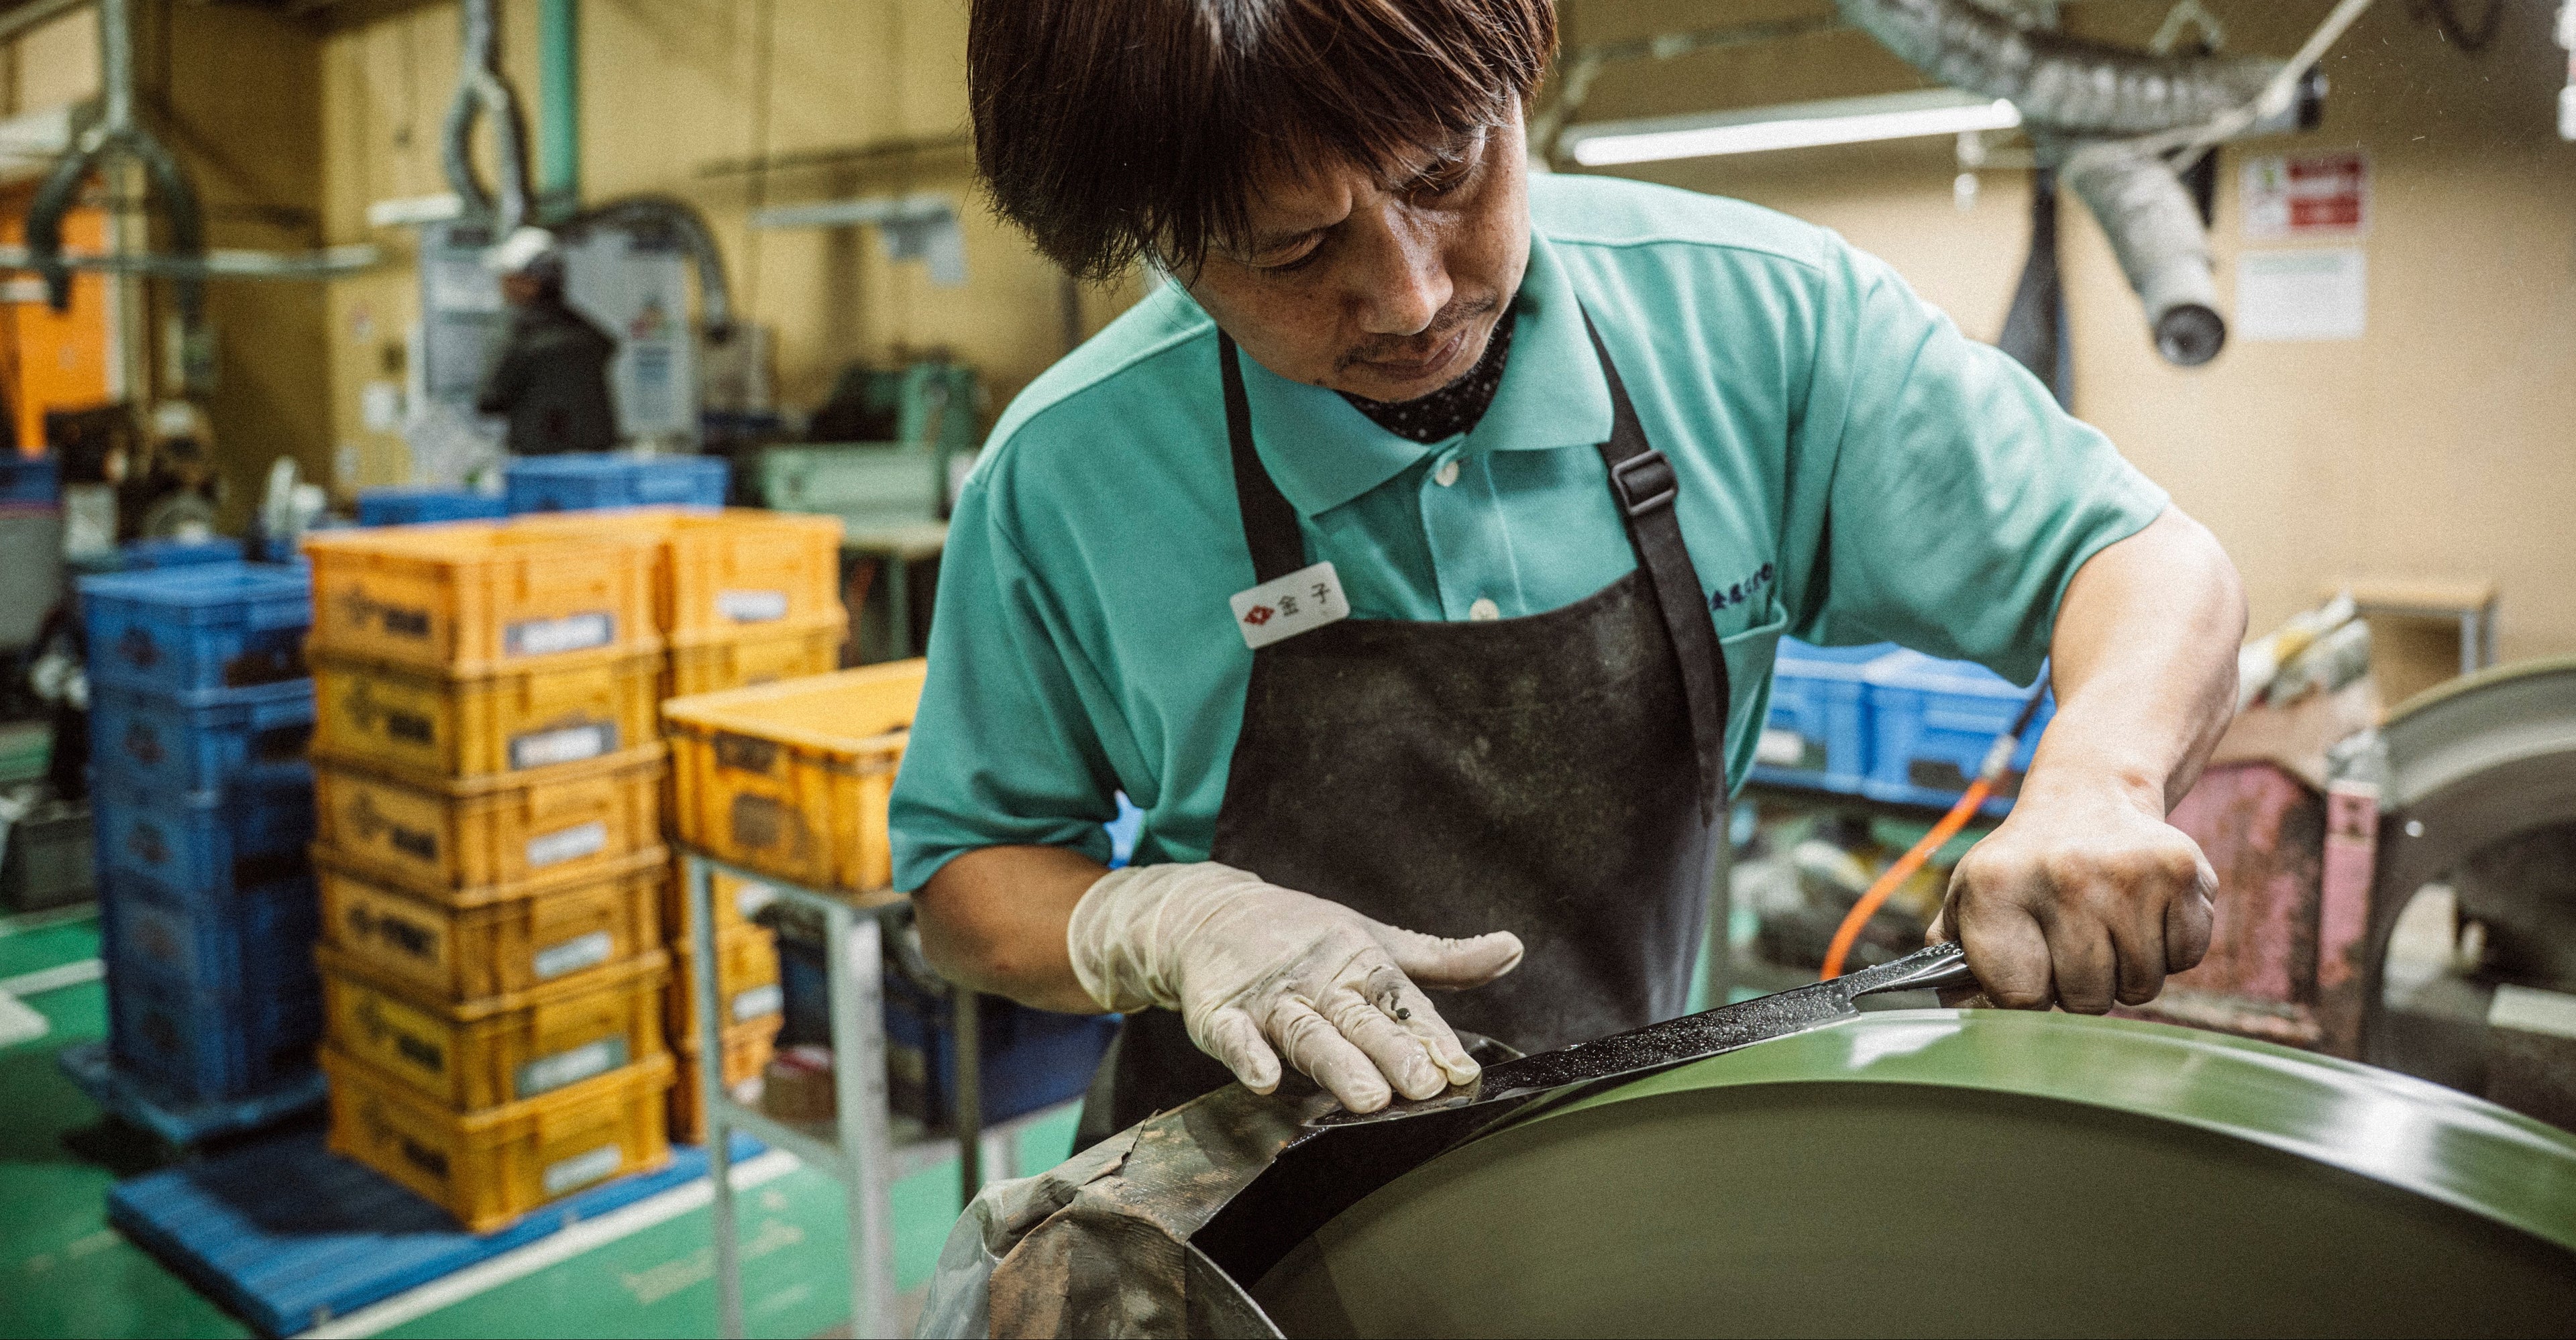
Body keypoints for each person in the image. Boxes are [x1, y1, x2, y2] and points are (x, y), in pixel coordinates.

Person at [890, 0, 2247, 1138]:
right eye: (1293, 246)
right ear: (1156, 238)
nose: (1414, 295)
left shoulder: (1757, 324)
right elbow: (963, 881)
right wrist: (1163, 920)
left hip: (1606, 1160)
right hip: (1219, 1219)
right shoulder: (1069, 470)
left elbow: (2141, 557)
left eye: (1446, 174)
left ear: (1520, 76)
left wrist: (2100, 780)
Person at [476, 227, 619, 456]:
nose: (503, 287)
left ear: (532, 283)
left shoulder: (522, 335)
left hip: (540, 463)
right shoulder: (587, 331)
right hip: (596, 461)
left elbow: (489, 399)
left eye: (509, 278)